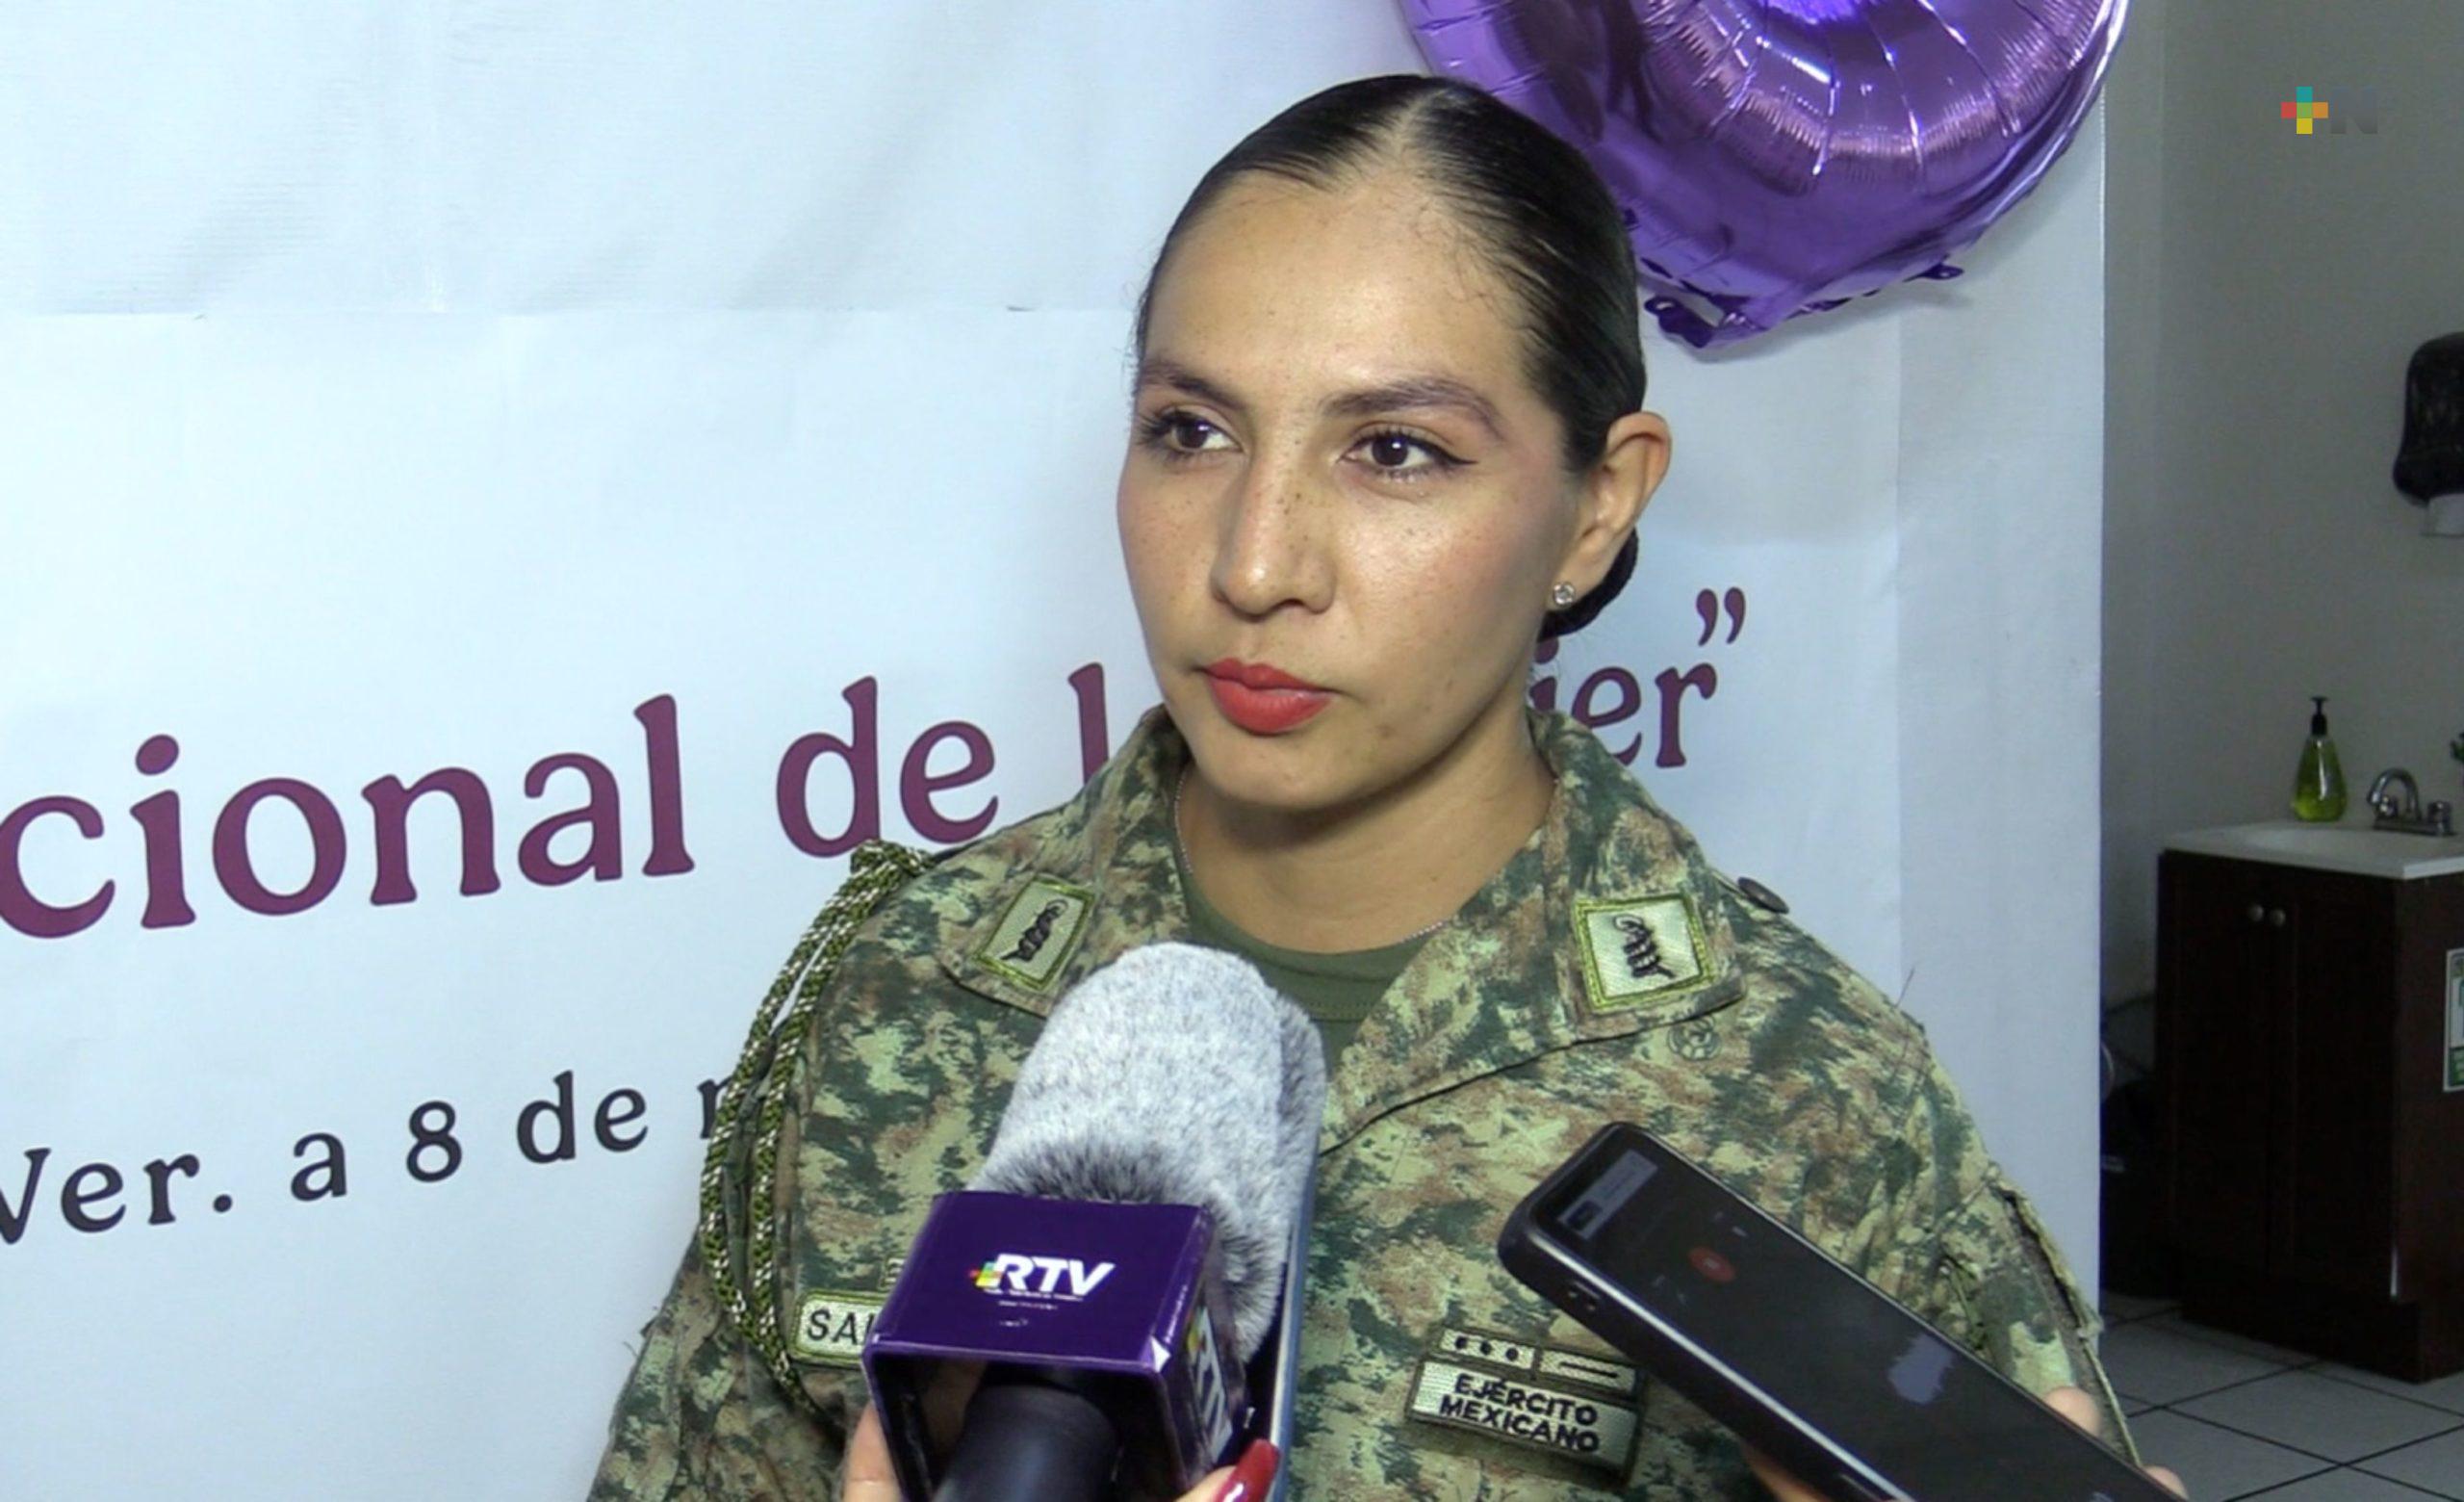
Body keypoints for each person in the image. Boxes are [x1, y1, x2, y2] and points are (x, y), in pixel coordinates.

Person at [589, 74, 2180, 1500]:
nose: (1254, 563)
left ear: (1596, 508)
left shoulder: (1799, 1097)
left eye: (1396, 451)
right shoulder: (906, 983)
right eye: (1191, 430)